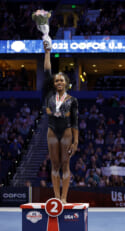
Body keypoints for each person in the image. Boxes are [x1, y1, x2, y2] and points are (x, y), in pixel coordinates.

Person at [43, 41, 78, 204]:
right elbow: (47, 71)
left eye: (61, 81)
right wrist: (47, 52)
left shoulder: (72, 100)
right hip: (51, 131)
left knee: (65, 164)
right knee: (54, 164)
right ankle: (56, 197)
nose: (58, 83)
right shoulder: (49, 94)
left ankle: (64, 197)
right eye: (56, 81)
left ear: (66, 83)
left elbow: (75, 121)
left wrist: (76, 141)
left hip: (66, 132)